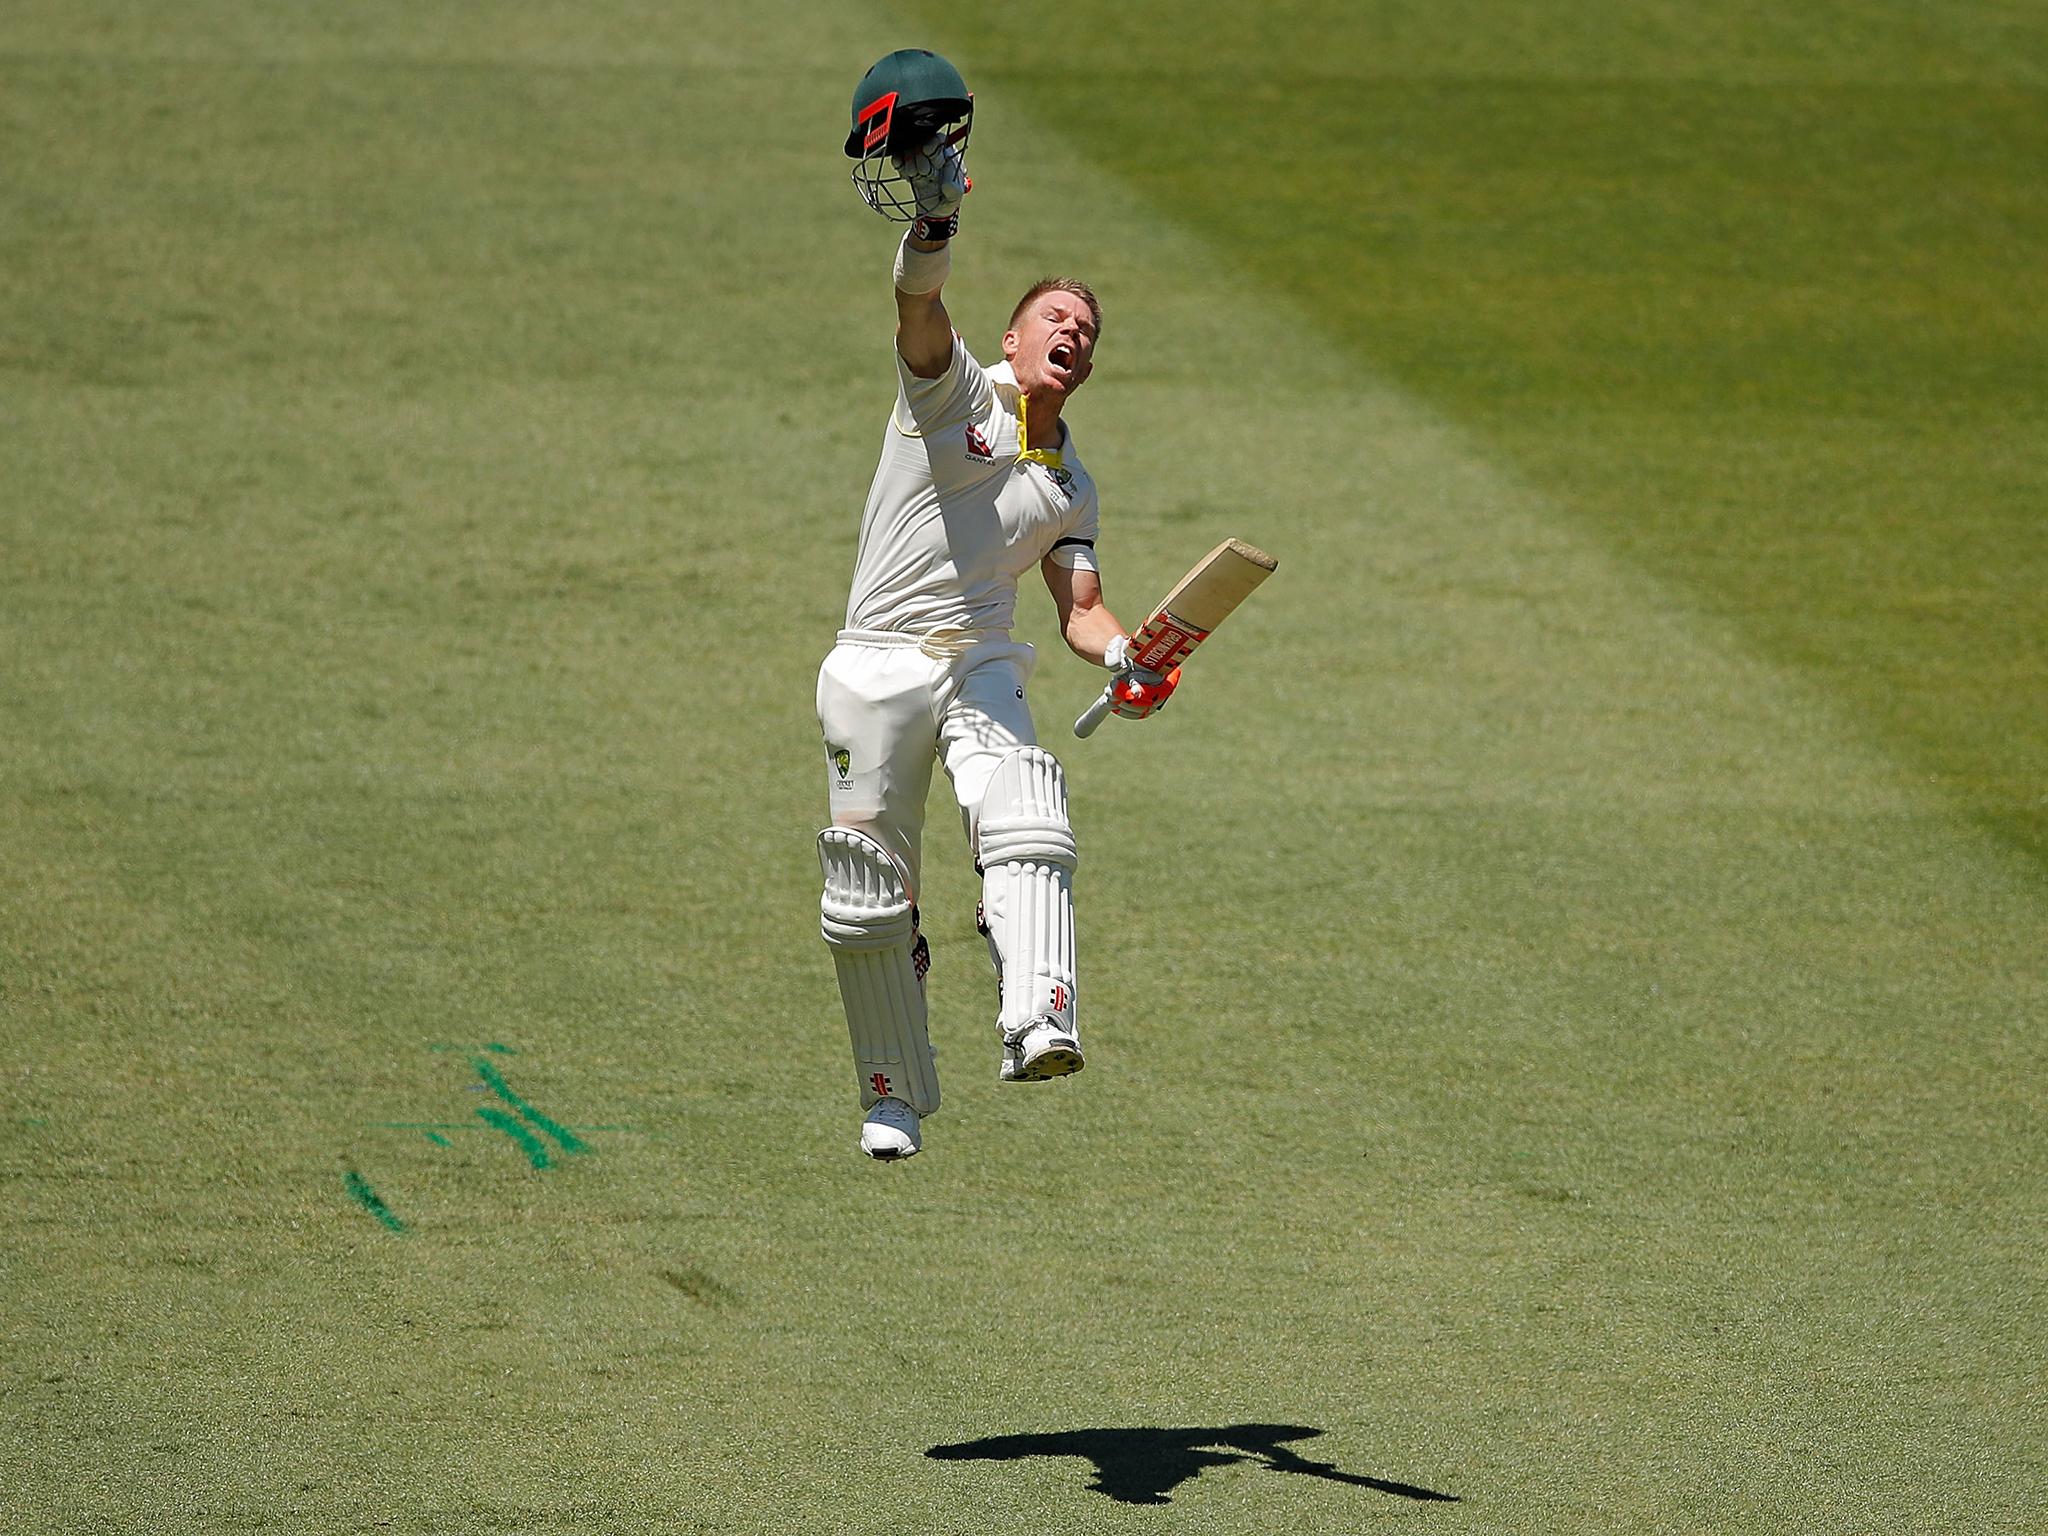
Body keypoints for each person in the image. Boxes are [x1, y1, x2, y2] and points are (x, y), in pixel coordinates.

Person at [815, 128, 1177, 1161]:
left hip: (979, 657)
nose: (1073, 332)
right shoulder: (953, 395)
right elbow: (917, 310)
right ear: (1014, 345)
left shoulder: (1071, 484)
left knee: (1026, 805)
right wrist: (934, 219)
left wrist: (1123, 657)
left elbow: (1078, 608)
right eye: (1054, 318)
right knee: (866, 890)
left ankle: (1037, 1018)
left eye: (1086, 328)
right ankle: (891, 1092)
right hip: (877, 656)